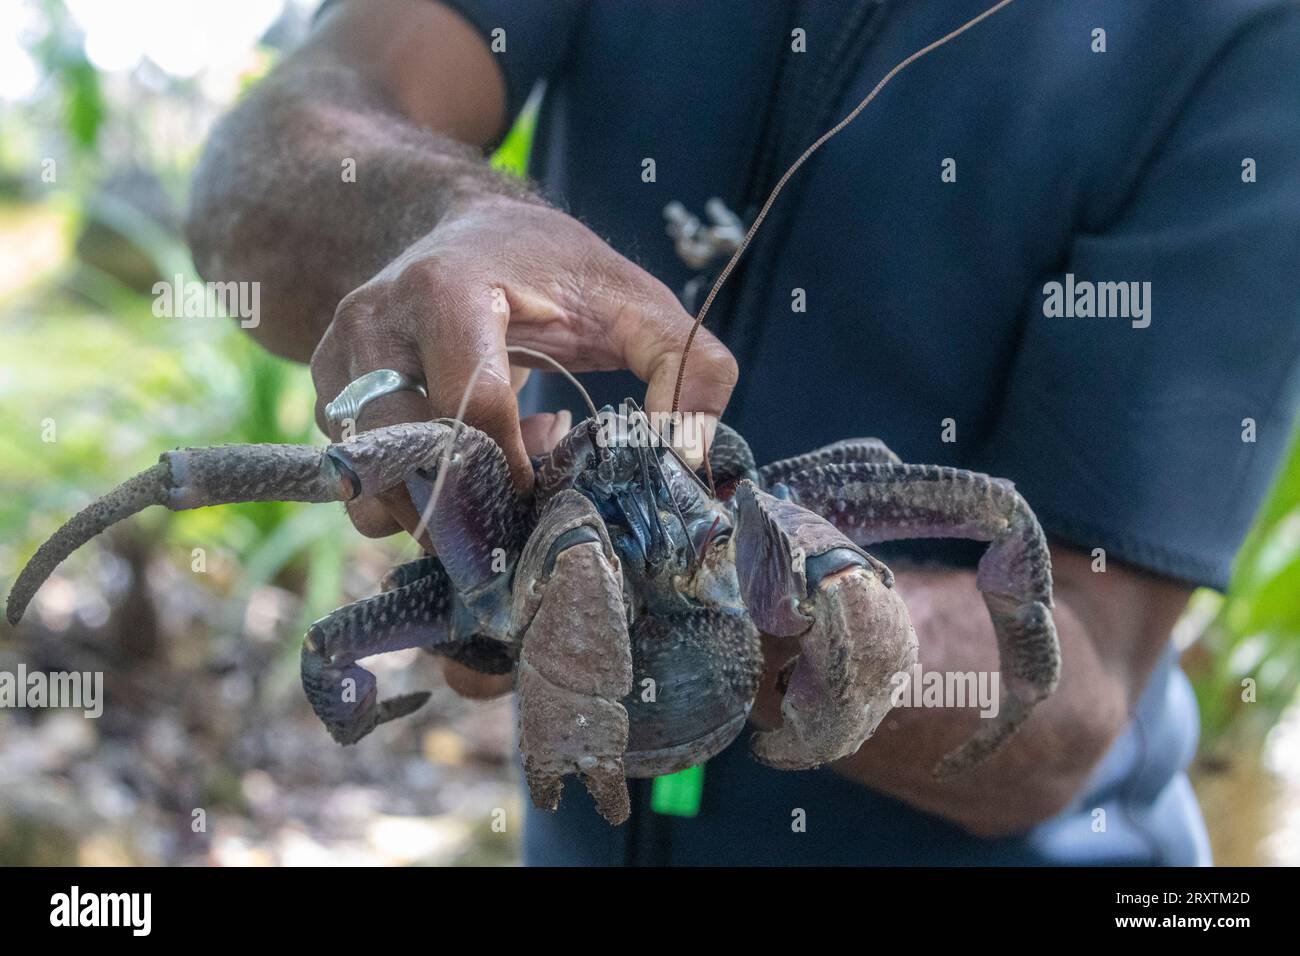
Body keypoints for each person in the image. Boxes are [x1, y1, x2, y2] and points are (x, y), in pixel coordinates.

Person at [187, 0, 1300, 865]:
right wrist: (433, 216)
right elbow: (284, 137)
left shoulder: (1245, 44)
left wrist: (725, 595)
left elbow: (1077, 680)